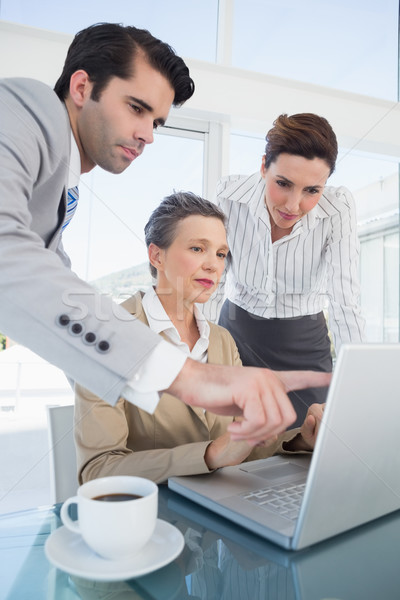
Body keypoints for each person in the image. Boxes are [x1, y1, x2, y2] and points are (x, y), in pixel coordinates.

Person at [0, 24, 330, 443]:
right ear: (81, 87)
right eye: (136, 108)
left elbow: (54, 290)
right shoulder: (20, 110)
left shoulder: (60, 191)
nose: (148, 135)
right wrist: (186, 375)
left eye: (156, 120)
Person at [74, 192, 325, 484]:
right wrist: (210, 454)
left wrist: (301, 440)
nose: (213, 265)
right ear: (157, 255)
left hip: (217, 510)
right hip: (149, 515)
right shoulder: (106, 336)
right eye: (197, 248)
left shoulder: (221, 340)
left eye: (220, 254)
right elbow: (98, 470)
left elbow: (240, 447)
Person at [204, 113, 365, 427]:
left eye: (312, 191)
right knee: (233, 445)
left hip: (304, 348)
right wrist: (202, 356)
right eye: (283, 184)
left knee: (309, 444)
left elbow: (345, 300)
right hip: (237, 339)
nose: (293, 205)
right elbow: (212, 282)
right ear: (264, 166)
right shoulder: (229, 196)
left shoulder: (338, 208)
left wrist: (357, 385)